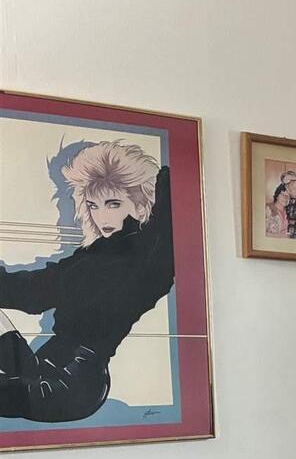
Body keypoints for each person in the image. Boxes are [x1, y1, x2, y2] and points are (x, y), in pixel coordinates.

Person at [0, 141, 174, 423]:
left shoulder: (149, 258)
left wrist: (165, 176)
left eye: (113, 204)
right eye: (93, 205)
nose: (102, 216)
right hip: (40, 368)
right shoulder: (89, 258)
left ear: (142, 205)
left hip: (72, 388)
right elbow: (29, 292)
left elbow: (170, 200)